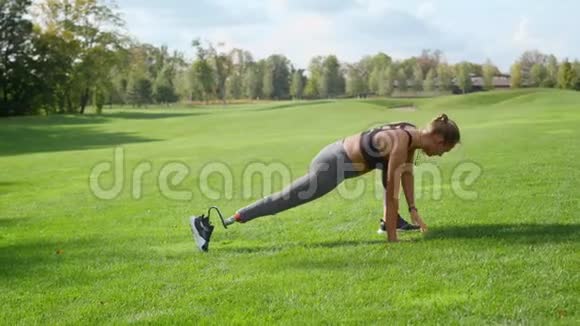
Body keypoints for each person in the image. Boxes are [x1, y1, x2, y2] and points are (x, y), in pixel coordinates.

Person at [190, 114, 460, 251]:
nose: (440, 155)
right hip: (333, 165)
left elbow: (406, 173)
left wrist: (414, 210)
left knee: (390, 180)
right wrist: (393, 241)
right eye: (444, 151)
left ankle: (388, 222)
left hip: (337, 153)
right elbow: (391, 192)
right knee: (286, 199)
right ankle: (215, 222)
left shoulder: (410, 134)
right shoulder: (402, 142)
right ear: (439, 140)